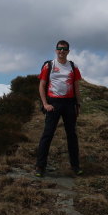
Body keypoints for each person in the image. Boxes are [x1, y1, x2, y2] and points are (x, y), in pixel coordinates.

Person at [35, 40, 83, 177]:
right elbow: (42, 85)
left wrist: (78, 104)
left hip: (69, 104)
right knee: (47, 134)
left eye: (64, 49)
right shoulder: (49, 65)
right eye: (59, 49)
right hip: (53, 104)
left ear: (68, 51)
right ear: (56, 50)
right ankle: (40, 166)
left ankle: (75, 166)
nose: (62, 51)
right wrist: (45, 104)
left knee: (72, 136)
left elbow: (76, 87)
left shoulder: (73, 66)